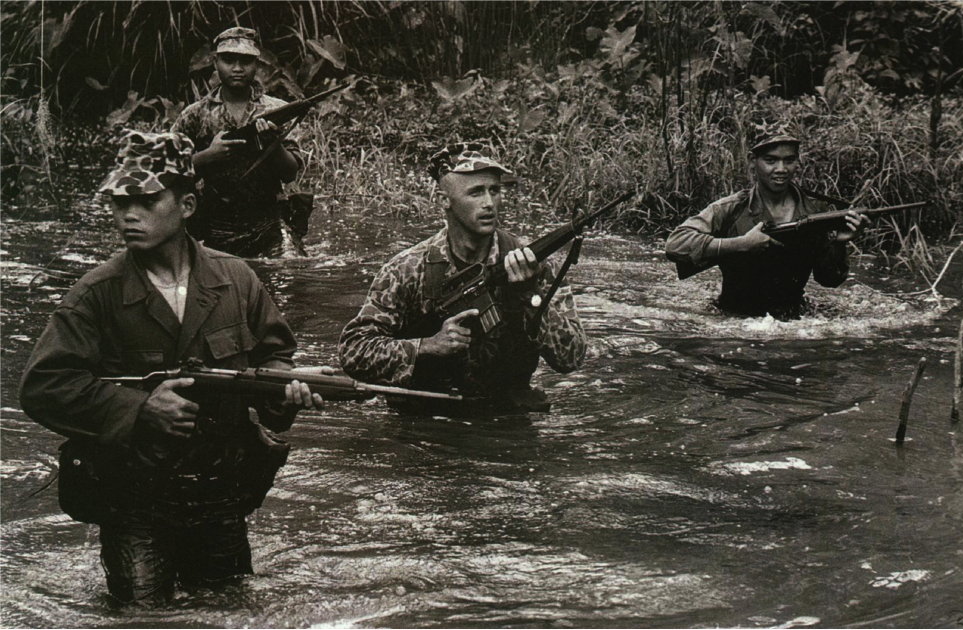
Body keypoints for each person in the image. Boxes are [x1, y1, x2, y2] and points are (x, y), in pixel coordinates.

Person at [19, 130, 323, 605]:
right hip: (135, 500)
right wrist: (139, 408)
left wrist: (286, 396)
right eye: (119, 202)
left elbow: (273, 359)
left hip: (221, 498)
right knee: (145, 617)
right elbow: (44, 386)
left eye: (145, 199)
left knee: (230, 611)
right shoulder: (96, 293)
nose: (128, 215)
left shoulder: (236, 278)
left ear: (187, 205)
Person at [338, 142, 587, 413]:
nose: (489, 203)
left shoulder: (532, 265)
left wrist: (531, 296)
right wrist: (426, 346)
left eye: (494, 191)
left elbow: (571, 358)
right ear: (445, 199)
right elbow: (354, 351)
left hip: (506, 421)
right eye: (476, 192)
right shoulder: (407, 270)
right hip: (425, 422)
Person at [664, 127, 866, 320]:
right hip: (732, 319)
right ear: (753, 161)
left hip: (796, 322)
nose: (781, 169)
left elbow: (829, 280)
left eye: (789, 160)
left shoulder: (816, 212)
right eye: (771, 160)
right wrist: (741, 244)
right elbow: (675, 243)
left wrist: (839, 243)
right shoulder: (730, 209)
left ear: (798, 162)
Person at [172, 27, 307, 258]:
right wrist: (208, 156)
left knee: (291, 270)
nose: (237, 68)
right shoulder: (194, 115)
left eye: (245, 61)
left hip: (269, 223)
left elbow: (290, 173)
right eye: (228, 60)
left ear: (257, 64)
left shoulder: (276, 110)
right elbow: (167, 172)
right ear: (215, 62)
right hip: (214, 225)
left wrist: (273, 146)